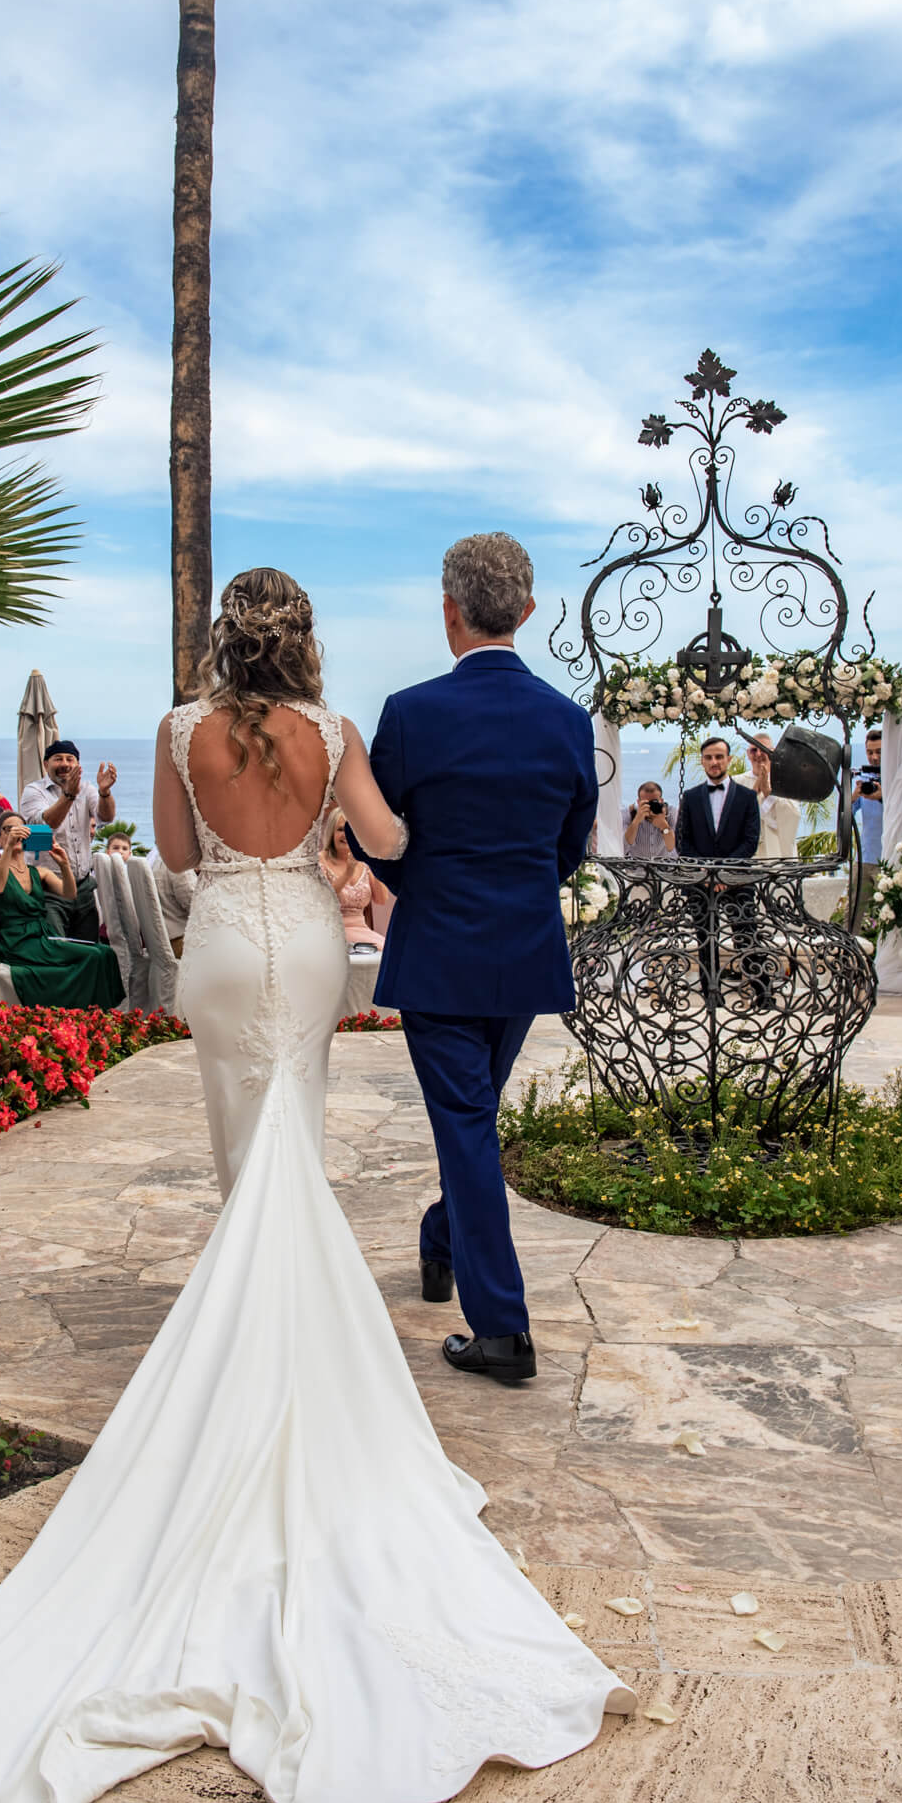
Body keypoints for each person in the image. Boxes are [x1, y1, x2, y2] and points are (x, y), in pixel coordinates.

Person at [0, 561, 634, 1803]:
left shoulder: (173, 729)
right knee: (295, 1156)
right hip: (310, 947)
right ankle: (287, 1351)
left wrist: (250, 834)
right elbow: (390, 840)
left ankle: (237, 1339)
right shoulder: (334, 733)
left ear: (224, 640)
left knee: (241, 1163)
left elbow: (167, 851)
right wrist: (352, 839)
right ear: (305, 640)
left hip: (218, 948)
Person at [351, 534, 599, 1387]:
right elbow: (569, 846)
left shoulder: (411, 713)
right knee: (472, 1125)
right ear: (528, 612)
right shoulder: (568, 721)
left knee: (467, 1128)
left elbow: (374, 840)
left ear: (448, 610)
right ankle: (438, 1240)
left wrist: (427, 884)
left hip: (440, 954)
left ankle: (501, 1331)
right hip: (523, 953)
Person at [0, 812, 123, 1011]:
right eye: (9, 829)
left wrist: (64, 864)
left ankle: (94, 1011)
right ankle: (86, 1013)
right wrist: (7, 850)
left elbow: (70, 893)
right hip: (17, 942)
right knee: (94, 956)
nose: (17, 833)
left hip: (43, 936)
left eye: (21, 829)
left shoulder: (38, 872)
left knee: (106, 953)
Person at [674, 737, 770, 1008]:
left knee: (746, 935)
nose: (714, 762)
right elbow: (684, 841)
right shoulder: (691, 797)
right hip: (701, 882)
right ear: (703, 761)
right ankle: (711, 994)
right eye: (708, 757)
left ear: (728, 760)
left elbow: (750, 842)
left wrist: (723, 873)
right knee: (705, 937)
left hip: (736, 880)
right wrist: (706, 872)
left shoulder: (747, 797)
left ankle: (763, 993)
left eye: (719, 757)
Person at [19, 740, 117, 941]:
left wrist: (105, 792)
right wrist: (69, 795)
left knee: (88, 947)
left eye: (69, 759)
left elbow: (106, 817)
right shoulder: (33, 791)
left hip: (83, 886)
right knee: (57, 947)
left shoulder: (88, 788)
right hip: (49, 887)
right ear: (46, 764)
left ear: (77, 766)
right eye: (58, 759)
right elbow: (47, 825)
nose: (64, 763)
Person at [319, 806, 386, 953]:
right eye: (341, 829)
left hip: (362, 931)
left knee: (390, 952)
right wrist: (348, 873)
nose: (347, 835)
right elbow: (323, 899)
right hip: (331, 930)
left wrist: (376, 861)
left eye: (352, 831)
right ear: (331, 832)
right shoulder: (320, 861)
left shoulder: (365, 862)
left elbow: (381, 899)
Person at [740, 734, 800, 861]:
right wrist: (756, 788)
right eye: (754, 750)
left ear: (773, 752)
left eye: (763, 749)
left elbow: (792, 815)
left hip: (777, 854)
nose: (758, 754)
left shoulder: (786, 782)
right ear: (748, 754)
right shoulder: (737, 782)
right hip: (747, 857)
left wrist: (768, 793)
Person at [851, 726, 884, 930]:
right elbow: (846, 813)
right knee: (853, 912)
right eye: (870, 752)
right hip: (864, 857)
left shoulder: (900, 778)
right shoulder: (862, 780)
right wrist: (853, 796)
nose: (874, 757)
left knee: (889, 915)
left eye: (879, 751)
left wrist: (883, 796)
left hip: (888, 859)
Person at [145, 844, 195, 959]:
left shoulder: (154, 860)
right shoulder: (177, 863)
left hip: (159, 941)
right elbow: (194, 904)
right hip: (178, 942)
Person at [622, 780, 676, 859]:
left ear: (661, 801)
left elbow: (672, 848)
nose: (651, 806)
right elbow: (624, 846)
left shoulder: (671, 813)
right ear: (638, 802)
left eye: (654, 802)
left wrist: (663, 825)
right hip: (636, 868)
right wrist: (636, 821)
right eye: (646, 803)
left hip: (664, 869)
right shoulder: (629, 813)